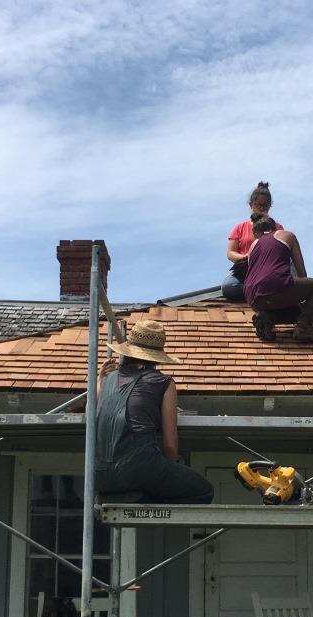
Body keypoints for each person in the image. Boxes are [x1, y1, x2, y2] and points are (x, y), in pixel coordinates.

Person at [95, 319, 214, 504]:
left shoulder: (107, 379)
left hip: (100, 476)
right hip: (139, 468)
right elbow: (170, 446)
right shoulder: (162, 383)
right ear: (155, 356)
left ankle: (129, 495)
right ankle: (144, 497)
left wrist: (99, 380)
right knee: (204, 491)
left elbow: (92, 414)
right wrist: (173, 466)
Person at [244, 214, 313, 344]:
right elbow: (301, 271)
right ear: (275, 227)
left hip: (252, 298)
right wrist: (302, 296)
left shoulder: (253, 246)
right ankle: (303, 328)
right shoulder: (286, 235)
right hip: (275, 285)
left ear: (256, 233)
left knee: (297, 313)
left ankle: (267, 318)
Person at [221, 181, 285, 301]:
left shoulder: (278, 227)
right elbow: (230, 253)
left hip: (270, 269)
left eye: (265, 206)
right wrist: (246, 257)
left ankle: (257, 291)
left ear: (270, 206)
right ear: (251, 205)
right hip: (246, 271)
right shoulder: (240, 227)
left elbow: (284, 251)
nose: (262, 209)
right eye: (258, 205)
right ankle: (262, 292)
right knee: (229, 286)